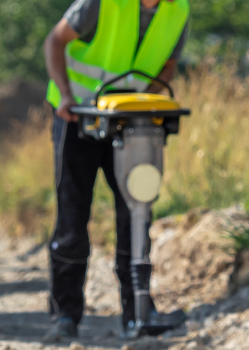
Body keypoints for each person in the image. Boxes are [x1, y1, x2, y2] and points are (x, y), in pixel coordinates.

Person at [39, 0, 191, 342]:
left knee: (135, 212)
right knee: (73, 214)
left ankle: (137, 312)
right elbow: (55, 41)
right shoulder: (101, 3)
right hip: (77, 115)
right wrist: (64, 94)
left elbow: (168, 64)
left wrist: (147, 101)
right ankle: (65, 315)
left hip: (129, 123)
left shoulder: (177, 10)